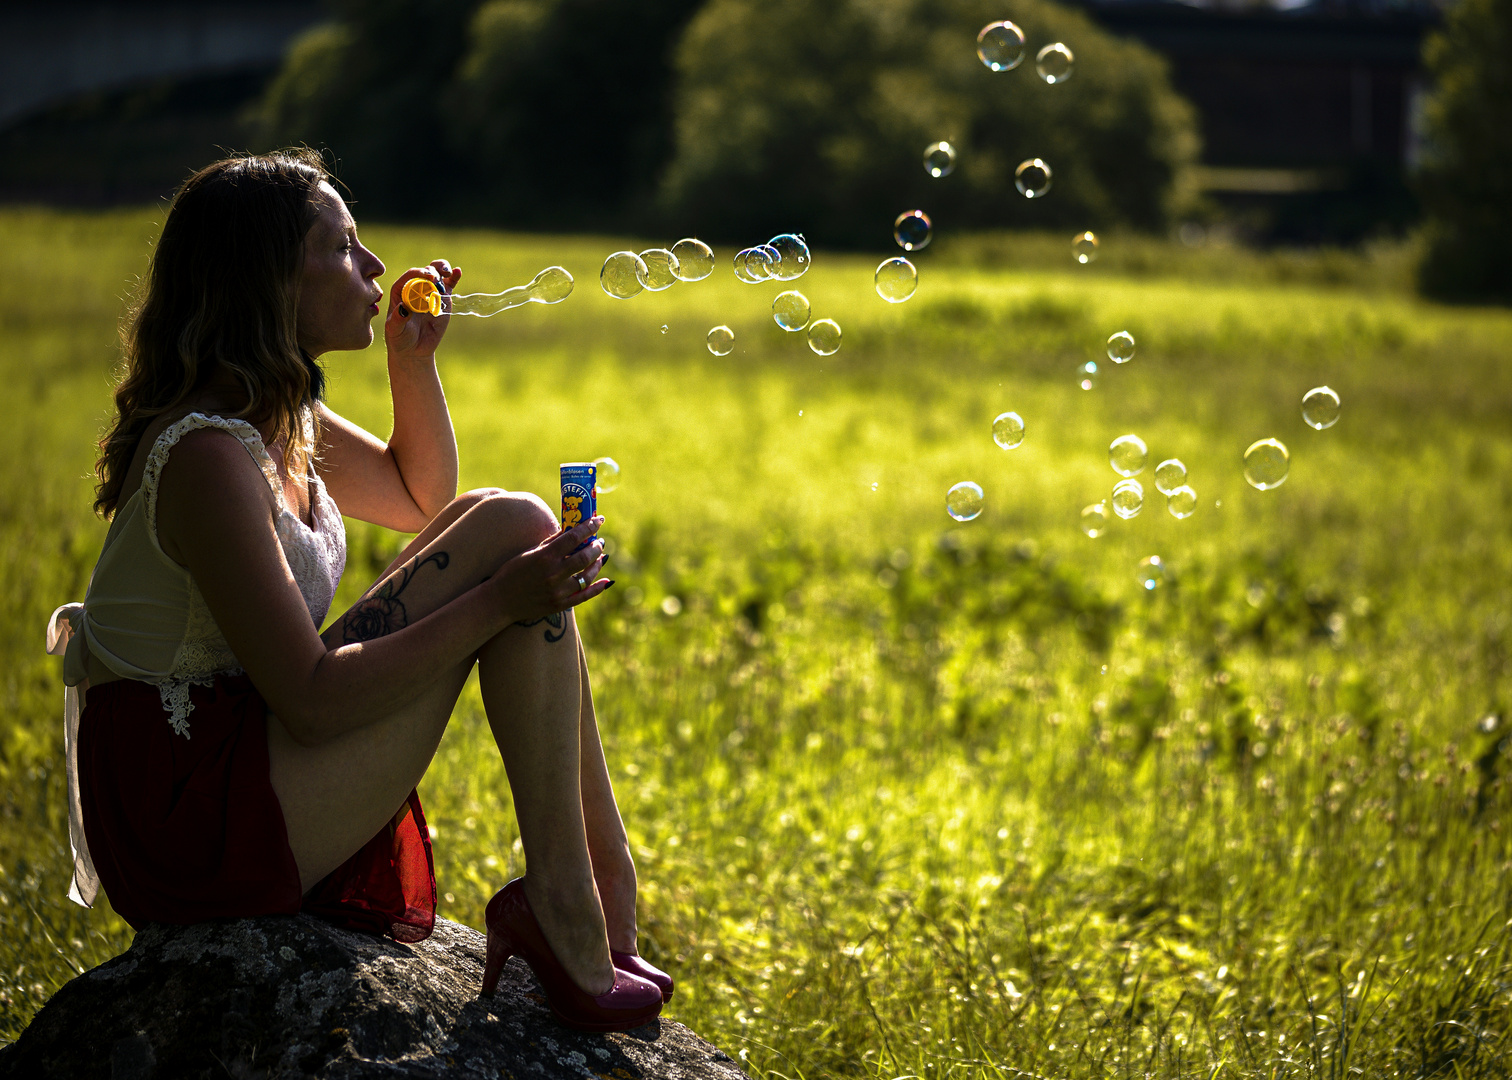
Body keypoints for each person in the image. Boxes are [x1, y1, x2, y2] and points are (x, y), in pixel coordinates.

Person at [44, 149, 668, 1032]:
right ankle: (571, 907)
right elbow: (311, 705)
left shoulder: (275, 412)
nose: (376, 268)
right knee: (515, 554)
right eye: (342, 247)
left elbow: (423, 501)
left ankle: (599, 896)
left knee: (514, 519)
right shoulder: (207, 457)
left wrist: (410, 366)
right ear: (268, 282)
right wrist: (499, 602)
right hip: (187, 814)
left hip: (246, 745)